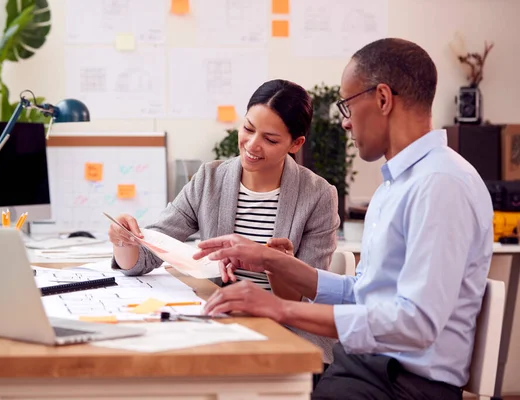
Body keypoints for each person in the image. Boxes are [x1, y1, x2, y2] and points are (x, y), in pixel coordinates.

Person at [193, 38, 494, 400]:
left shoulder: (440, 185)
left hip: (401, 384)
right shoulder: (397, 185)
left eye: (347, 105)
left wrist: (278, 307)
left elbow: (415, 324)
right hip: (365, 368)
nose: (345, 124)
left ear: (382, 99)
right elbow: (362, 295)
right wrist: (269, 259)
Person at [107, 79, 340, 358]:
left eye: (270, 139)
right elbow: (144, 258)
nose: (252, 145)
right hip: (221, 322)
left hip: (287, 331)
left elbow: (302, 298)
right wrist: (124, 240)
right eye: (248, 129)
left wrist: (278, 266)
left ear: (296, 143)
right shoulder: (209, 180)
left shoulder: (318, 195)